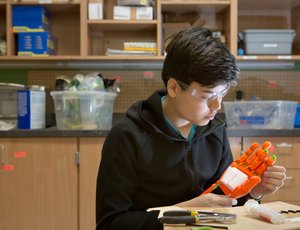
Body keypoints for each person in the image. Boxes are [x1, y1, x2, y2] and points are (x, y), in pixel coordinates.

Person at [96, 27, 286, 230]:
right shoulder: (127, 136)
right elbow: (110, 223)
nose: (217, 106)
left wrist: (252, 192)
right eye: (207, 96)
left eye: (222, 94)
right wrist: (181, 212)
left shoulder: (214, 130)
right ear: (174, 87)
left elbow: (223, 204)